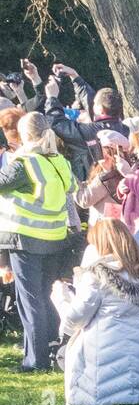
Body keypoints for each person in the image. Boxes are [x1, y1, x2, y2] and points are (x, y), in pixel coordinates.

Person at [50, 217, 139, 405]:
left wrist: (61, 297)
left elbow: (75, 319)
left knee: (68, 349)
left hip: (105, 370)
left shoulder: (96, 276)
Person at [0, 111, 74, 370]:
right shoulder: (58, 161)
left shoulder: (25, 163)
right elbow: (71, 188)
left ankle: (35, 360)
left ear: (24, 136)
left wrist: (9, 157)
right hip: (54, 238)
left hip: (26, 239)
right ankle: (51, 348)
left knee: (29, 301)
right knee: (43, 297)